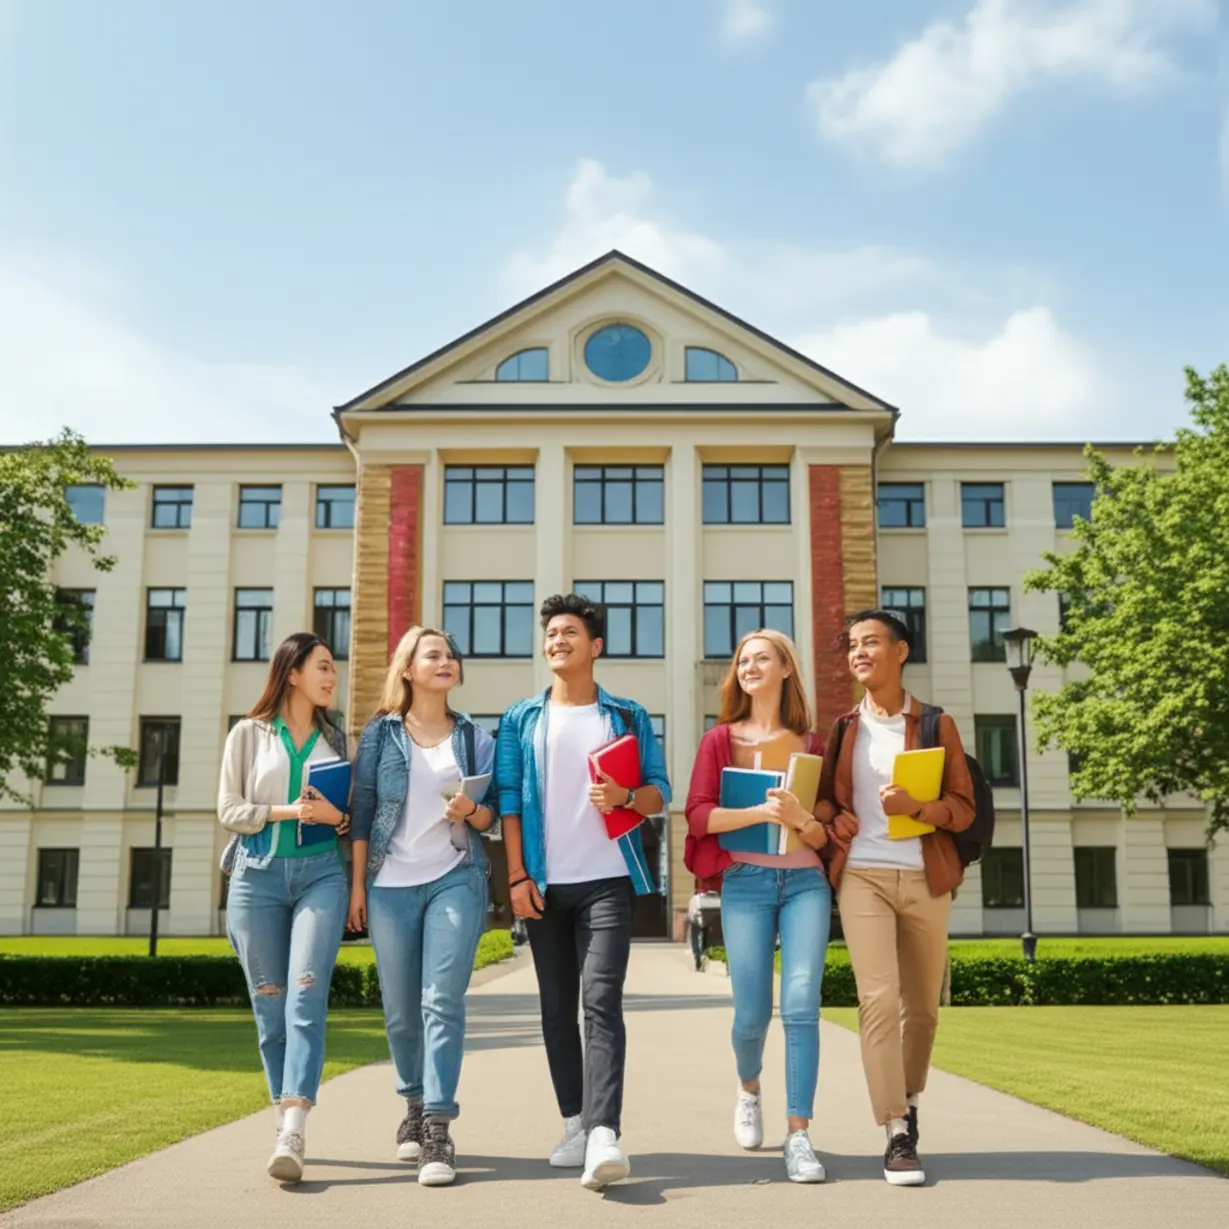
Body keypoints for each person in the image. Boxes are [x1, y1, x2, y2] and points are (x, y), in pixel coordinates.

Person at [496, 593, 671, 1192]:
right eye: (550, 634)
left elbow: (658, 795)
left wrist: (625, 798)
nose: (557, 641)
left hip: (606, 883)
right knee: (554, 1011)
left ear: (595, 647)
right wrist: (517, 877)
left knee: (601, 1002)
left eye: (569, 632)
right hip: (545, 884)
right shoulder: (522, 719)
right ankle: (573, 1122)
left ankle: (604, 1134)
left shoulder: (625, 716)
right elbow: (510, 803)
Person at [815, 610, 976, 1187]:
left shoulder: (937, 724)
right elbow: (828, 803)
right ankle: (896, 1132)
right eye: (853, 644)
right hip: (864, 876)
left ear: (900, 651)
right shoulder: (843, 728)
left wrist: (917, 810)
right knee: (877, 1001)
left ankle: (908, 1098)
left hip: (926, 877)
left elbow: (964, 806)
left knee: (924, 1009)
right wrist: (836, 821)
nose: (859, 652)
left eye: (871, 642)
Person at [348, 626, 497, 1187]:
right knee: (401, 1010)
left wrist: (472, 812)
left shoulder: (476, 739)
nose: (447, 661)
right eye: (433, 654)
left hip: (454, 876)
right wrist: (359, 886)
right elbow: (362, 810)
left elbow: (495, 815)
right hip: (389, 883)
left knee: (441, 1000)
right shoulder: (382, 735)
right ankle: (412, 1102)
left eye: (451, 655)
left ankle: (438, 1125)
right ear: (407, 669)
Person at [684, 629, 831, 1184]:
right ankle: (749, 1088)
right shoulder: (719, 740)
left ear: (786, 669)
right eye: (742, 659)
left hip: (805, 885)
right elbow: (698, 816)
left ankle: (799, 1135)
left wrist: (798, 818)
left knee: (800, 1005)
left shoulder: (813, 745)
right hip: (744, 883)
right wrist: (760, 814)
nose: (748, 666)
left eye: (760, 658)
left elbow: (822, 836)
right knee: (751, 1015)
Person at [217, 632, 352, 1184]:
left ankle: (295, 1123)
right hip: (257, 878)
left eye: (334, 670)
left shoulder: (336, 737)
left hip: (322, 874)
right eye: (322, 667)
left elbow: (349, 816)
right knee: (270, 1008)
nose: (331, 677)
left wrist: (334, 818)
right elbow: (229, 808)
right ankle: (284, 1117)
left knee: (305, 994)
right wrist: (285, 810)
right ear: (291, 672)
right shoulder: (249, 735)